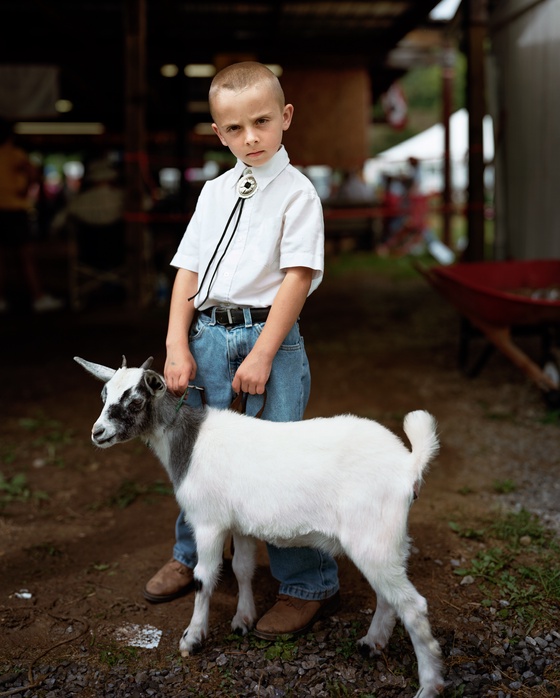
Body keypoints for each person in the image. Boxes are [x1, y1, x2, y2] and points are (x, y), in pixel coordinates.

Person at [144, 61, 340, 639]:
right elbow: (186, 270)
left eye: (260, 122)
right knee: (196, 455)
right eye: (234, 129)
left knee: (278, 466)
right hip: (206, 337)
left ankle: (307, 582)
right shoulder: (214, 191)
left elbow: (297, 278)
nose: (249, 138)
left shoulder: (298, 194)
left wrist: (262, 355)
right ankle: (194, 555)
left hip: (266, 341)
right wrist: (177, 344)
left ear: (285, 117)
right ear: (217, 132)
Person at [0, 117, 63, 313]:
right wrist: (27, 186)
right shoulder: (15, 154)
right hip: (15, 210)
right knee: (26, 257)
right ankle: (38, 296)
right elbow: (34, 174)